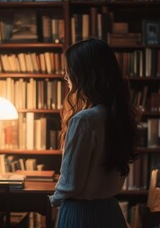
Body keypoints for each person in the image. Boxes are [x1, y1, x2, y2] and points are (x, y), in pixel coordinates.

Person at [49, 38, 140, 228]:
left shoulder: (84, 120)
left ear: (84, 75)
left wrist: (52, 200)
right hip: (110, 212)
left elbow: (71, 183)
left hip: (81, 215)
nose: (66, 76)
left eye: (69, 70)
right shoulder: (118, 117)